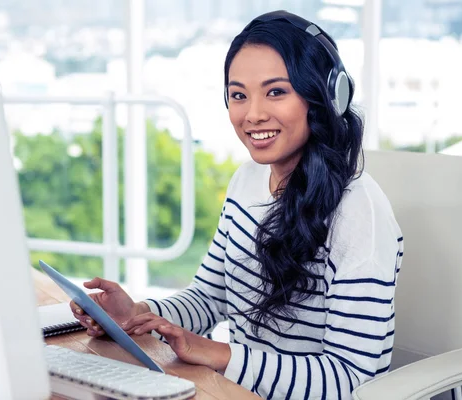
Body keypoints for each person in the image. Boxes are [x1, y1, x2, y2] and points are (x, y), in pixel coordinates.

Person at [70, 10, 403, 399]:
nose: (253, 114)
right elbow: (210, 297)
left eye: (276, 91)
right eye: (239, 95)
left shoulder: (359, 212)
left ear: (327, 96)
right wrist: (139, 313)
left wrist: (222, 355)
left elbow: (351, 379)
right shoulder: (246, 181)